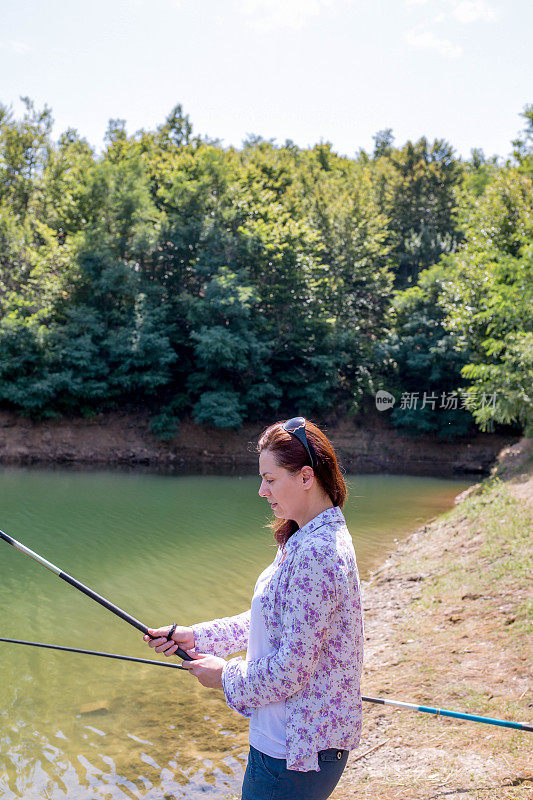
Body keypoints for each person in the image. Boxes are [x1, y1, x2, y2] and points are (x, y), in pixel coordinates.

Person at [143, 417, 364, 800]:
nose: (262, 490)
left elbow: (291, 671)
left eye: (271, 478)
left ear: (306, 477)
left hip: (294, 752)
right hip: (283, 740)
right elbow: (269, 619)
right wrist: (195, 636)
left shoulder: (319, 552)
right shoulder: (303, 536)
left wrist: (224, 675)